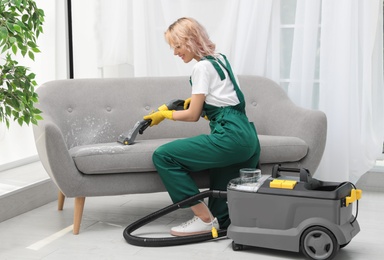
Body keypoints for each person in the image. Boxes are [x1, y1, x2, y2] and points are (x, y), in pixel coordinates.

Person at [143, 17, 260, 236]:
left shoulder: (201, 68)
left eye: (177, 46)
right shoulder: (220, 59)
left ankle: (202, 218)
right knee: (220, 205)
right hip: (248, 138)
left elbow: (192, 115)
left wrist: (165, 115)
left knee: (164, 156)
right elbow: (226, 103)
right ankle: (217, 223)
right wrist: (203, 105)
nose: (176, 52)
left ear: (190, 41)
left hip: (230, 137)